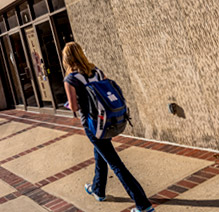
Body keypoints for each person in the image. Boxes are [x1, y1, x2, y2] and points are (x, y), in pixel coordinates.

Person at [62, 42, 154, 212]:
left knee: (116, 164)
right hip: (107, 121)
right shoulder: (96, 71)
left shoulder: (71, 79)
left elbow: (74, 108)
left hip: (92, 125)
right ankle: (98, 190)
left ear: (67, 59)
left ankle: (143, 204)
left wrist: (70, 103)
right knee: (101, 154)